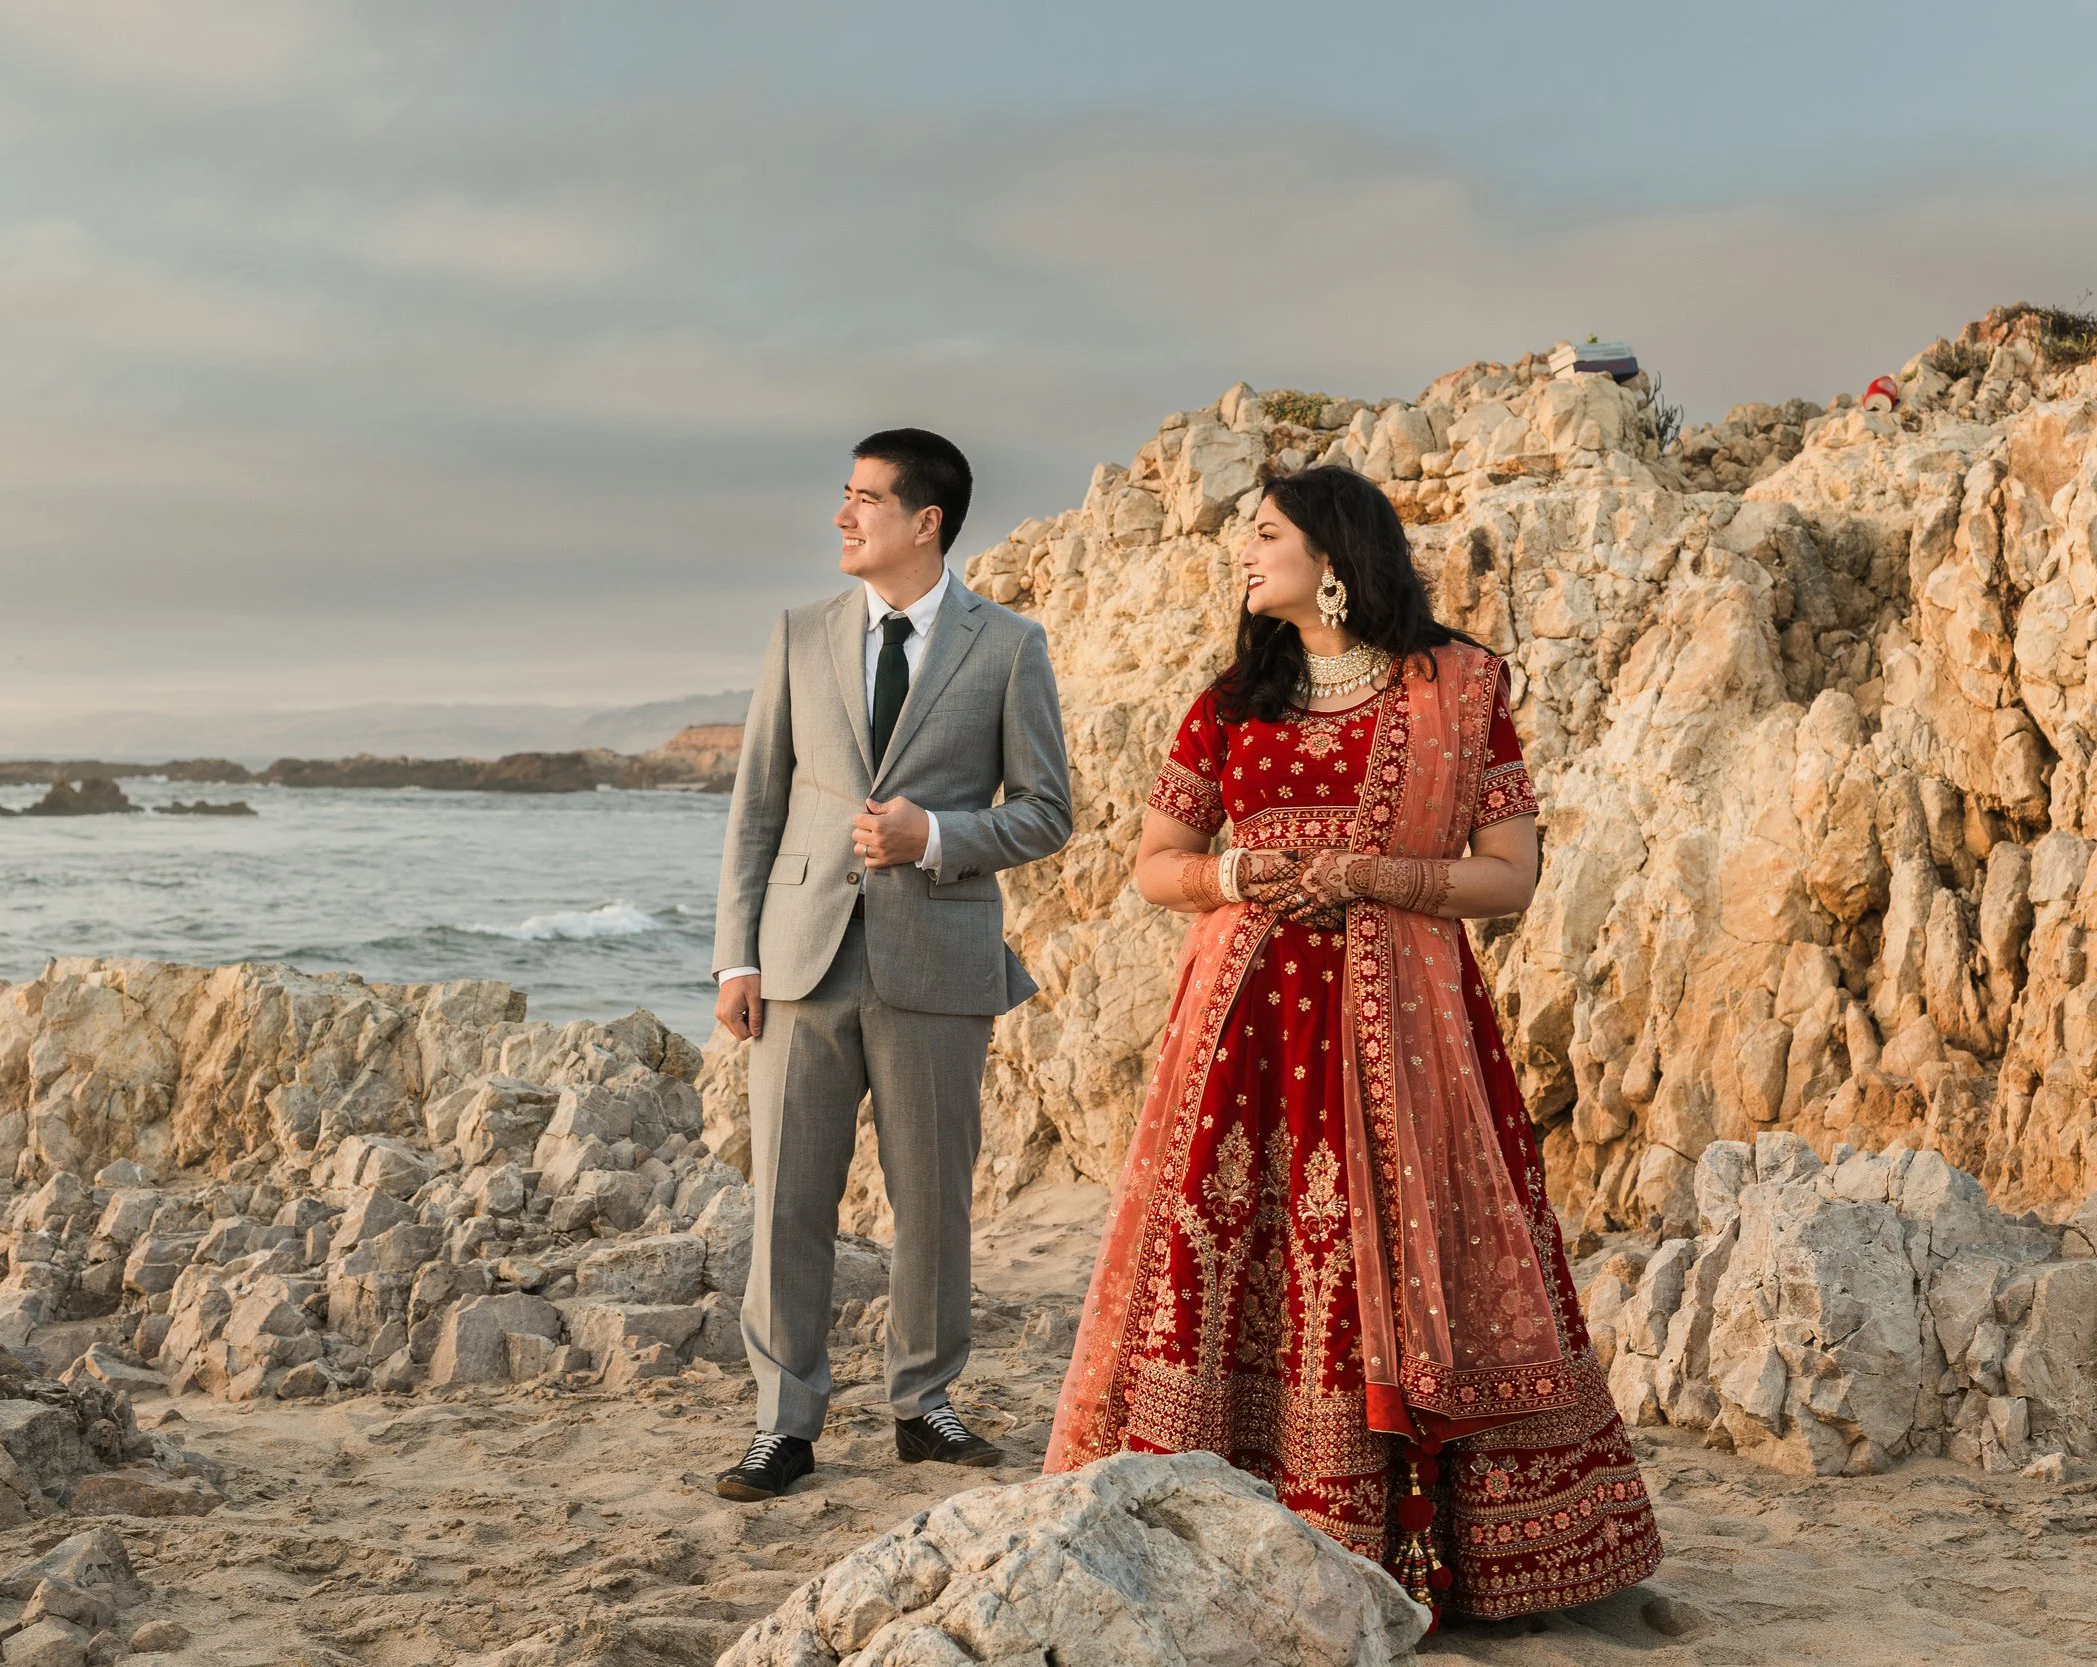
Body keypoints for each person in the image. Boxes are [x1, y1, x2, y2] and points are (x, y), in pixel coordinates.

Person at [1045, 466, 1661, 1621]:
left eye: (1264, 533)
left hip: (1405, 1030)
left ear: (1332, 553)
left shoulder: (1459, 688)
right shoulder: (1230, 698)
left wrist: (1378, 877)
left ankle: (1427, 1555)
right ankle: (1221, 1525)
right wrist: (1237, 871)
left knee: (1404, 1258)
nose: (1243, 554)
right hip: (1243, 1031)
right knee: (1237, 1251)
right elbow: (1155, 864)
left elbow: (1509, 873)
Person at [710, 427, 1072, 1501]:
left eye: (864, 498)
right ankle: (784, 1422)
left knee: (933, 1200)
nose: (842, 515)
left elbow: (1047, 811)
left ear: (925, 521)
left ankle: (925, 1403)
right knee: (787, 1200)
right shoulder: (798, 634)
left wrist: (938, 836)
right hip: (800, 959)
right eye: (843, 494)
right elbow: (756, 809)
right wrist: (736, 958)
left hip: (940, 959)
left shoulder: (1008, 646)